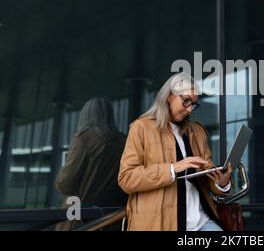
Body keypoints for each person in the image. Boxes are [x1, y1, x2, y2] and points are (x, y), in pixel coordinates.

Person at [118, 73, 232, 231]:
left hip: (201, 222)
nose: (190, 109)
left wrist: (222, 183)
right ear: (169, 96)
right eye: (186, 101)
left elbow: (208, 179)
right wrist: (172, 168)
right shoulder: (141, 128)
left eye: (193, 104)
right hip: (159, 225)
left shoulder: (198, 132)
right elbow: (126, 179)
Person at [55, 98, 128, 230]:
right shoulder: (124, 141)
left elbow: (66, 184)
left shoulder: (84, 138)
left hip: (80, 218)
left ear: (85, 115)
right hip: (112, 219)